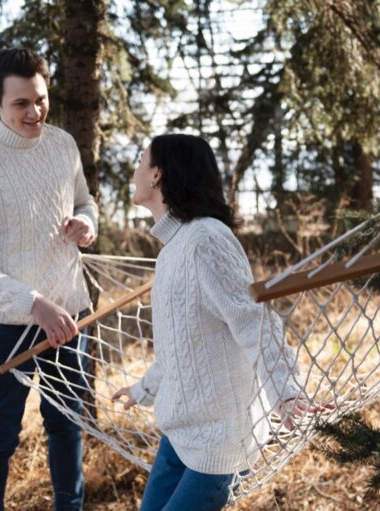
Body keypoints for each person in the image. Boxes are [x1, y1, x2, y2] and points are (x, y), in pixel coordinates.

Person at [111, 134, 320, 511]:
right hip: (179, 433)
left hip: (217, 442)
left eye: (141, 161)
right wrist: (142, 388)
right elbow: (184, 346)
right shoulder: (171, 251)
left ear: (157, 175)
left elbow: (255, 321)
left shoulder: (207, 239)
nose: (136, 171)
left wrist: (286, 392)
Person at [0, 48, 98, 511]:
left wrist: (87, 224)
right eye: (21, 104)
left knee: (67, 427)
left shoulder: (64, 144)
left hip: (69, 315)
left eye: (41, 99)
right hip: (7, 326)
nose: (35, 112)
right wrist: (33, 303)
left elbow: (86, 202)